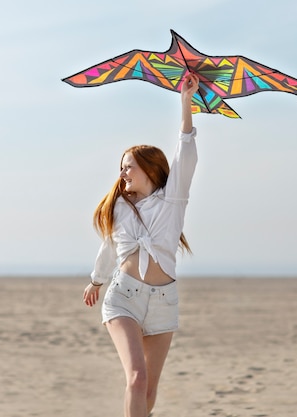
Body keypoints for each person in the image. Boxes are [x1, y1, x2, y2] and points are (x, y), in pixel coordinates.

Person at [82, 72, 200, 417]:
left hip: (164, 302)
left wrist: (186, 102)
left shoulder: (172, 200)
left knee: (148, 389)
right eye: (120, 168)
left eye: (128, 167)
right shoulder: (119, 206)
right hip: (125, 297)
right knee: (135, 378)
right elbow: (110, 248)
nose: (122, 174)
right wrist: (96, 280)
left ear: (149, 169)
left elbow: (186, 150)